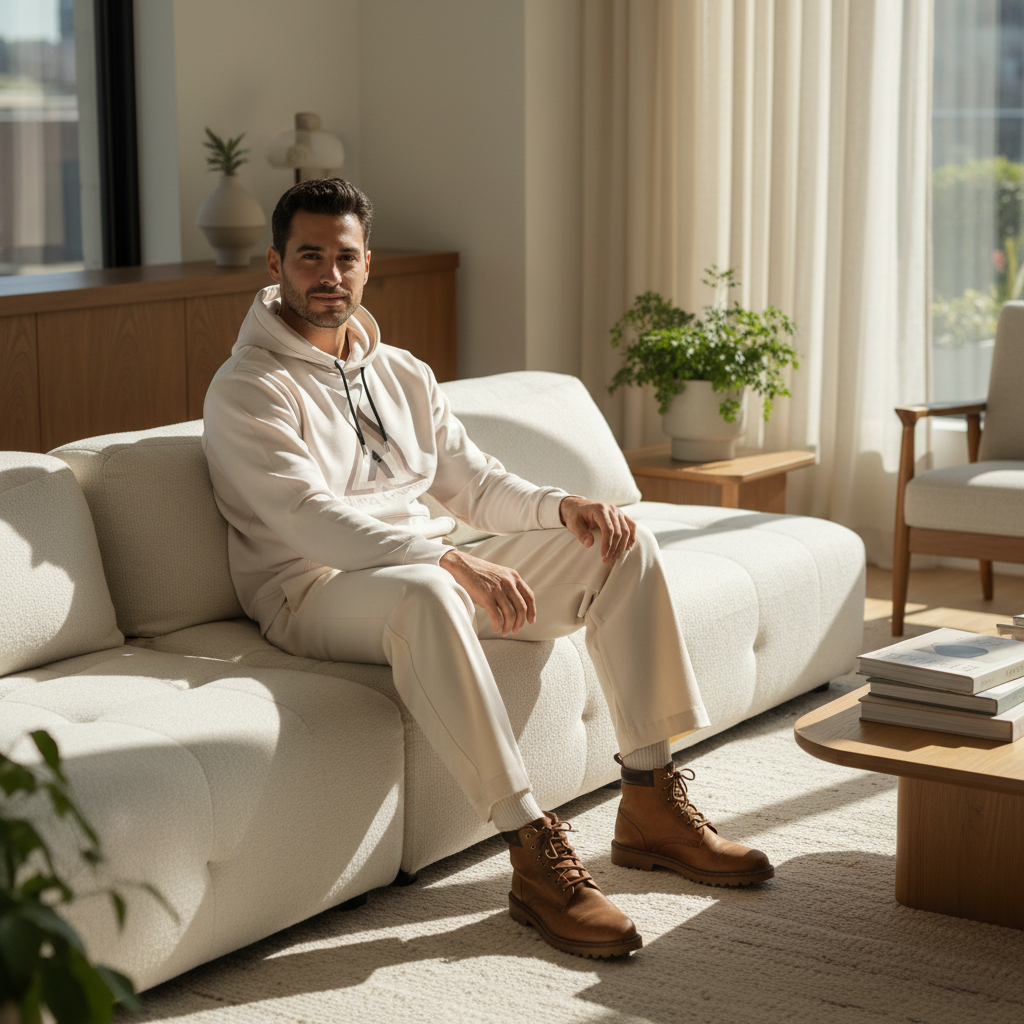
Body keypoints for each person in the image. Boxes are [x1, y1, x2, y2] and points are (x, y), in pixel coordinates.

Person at [203, 178, 773, 960]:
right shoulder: (246, 389)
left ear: (368, 266)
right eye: (309, 256)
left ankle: (649, 803)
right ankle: (532, 852)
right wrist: (444, 557)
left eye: (345, 257)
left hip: (429, 569)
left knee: (618, 540)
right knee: (432, 591)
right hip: (315, 589)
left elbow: (470, 482)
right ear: (275, 263)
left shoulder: (401, 371)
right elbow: (308, 521)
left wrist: (561, 507)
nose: (328, 275)